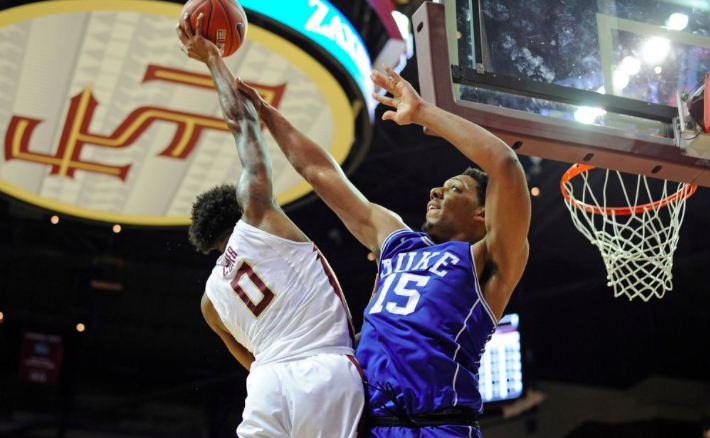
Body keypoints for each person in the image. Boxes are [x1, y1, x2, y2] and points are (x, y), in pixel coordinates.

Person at [236, 63, 530, 437]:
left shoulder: (488, 260)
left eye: (455, 189)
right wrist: (265, 111)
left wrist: (423, 113)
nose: (435, 192)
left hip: (438, 427)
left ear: (483, 213)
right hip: (369, 427)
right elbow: (320, 172)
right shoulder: (398, 244)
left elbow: (505, 164)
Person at [176, 13, 364, 438]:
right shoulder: (259, 215)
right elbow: (242, 126)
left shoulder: (210, 304)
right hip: (324, 368)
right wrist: (212, 60)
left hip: (266, 384)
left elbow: (250, 360)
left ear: (208, 244)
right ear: (237, 205)